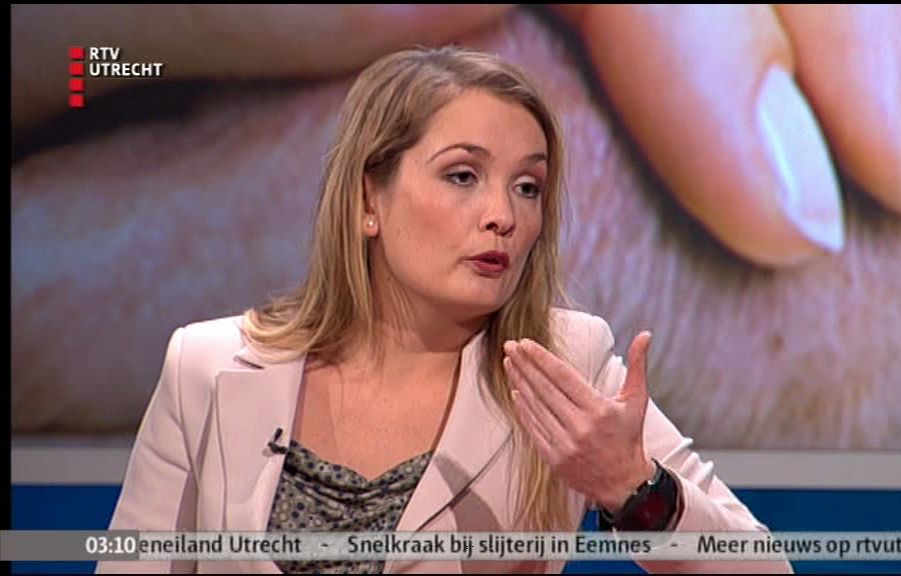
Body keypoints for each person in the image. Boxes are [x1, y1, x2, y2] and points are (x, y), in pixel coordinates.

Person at [97, 46, 793, 574]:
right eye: (463, 176)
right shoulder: (207, 368)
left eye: (528, 187)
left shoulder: (563, 366)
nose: (503, 216)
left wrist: (632, 489)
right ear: (368, 200)